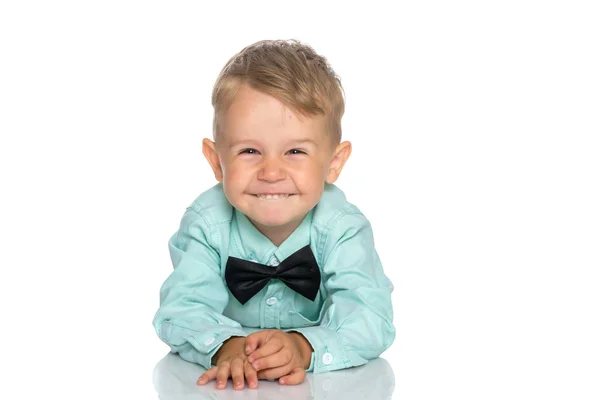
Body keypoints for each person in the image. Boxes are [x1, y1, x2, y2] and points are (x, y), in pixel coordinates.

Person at [152, 39, 395, 391]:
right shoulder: (206, 223)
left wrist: (305, 347)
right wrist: (225, 346)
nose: (271, 172)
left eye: (295, 151)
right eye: (250, 150)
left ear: (334, 163)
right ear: (217, 160)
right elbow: (180, 310)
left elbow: (372, 319)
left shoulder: (342, 227)